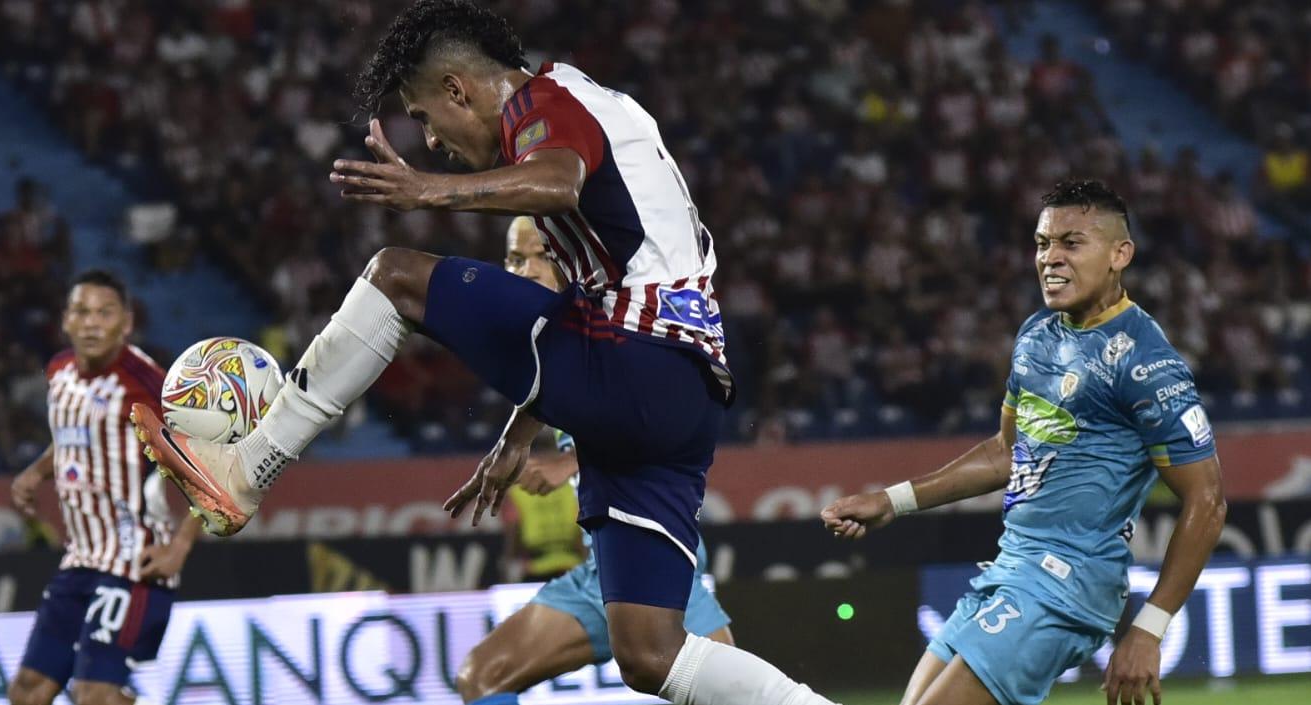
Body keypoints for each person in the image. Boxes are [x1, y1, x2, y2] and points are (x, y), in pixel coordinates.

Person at [131, 2, 837, 703]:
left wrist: (427, 193)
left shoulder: (543, 104)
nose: (430, 140)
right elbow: (585, 295)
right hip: (684, 396)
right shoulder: (599, 104)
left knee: (396, 277)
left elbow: (557, 181)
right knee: (649, 653)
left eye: (425, 117)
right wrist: (519, 431)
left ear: (457, 89)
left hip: (637, 360)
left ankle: (249, 468)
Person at [821, 180, 1227, 705]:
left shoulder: (1145, 362)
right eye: (1042, 243)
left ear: (1120, 255)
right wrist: (891, 501)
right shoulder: (1037, 335)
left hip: (1067, 585)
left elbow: (1207, 499)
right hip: (1012, 568)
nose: (1050, 258)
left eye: (1072, 243)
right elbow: (1005, 452)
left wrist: (1149, 628)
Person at [460, 217, 734, 702]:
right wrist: (514, 447)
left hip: (656, 556)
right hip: (599, 573)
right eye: (515, 259)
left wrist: (569, 465)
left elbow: (662, 418)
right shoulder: (545, 343)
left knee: (730, 695)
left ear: (572, 261)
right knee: (480, 678)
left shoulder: (615, 325)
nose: (526, 271)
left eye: (542, 256)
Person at [6, 270, 199, 705]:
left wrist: (180, 547)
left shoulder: (148, 385)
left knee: (92, 695)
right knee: (27, 692)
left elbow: (208, 472)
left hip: (134, 563)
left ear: (126, 323)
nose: (91, 323)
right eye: (82, 311)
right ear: (65, 320)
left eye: (104, 313)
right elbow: (74, 434)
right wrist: (37, 472)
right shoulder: (59, 371)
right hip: (80, 559)